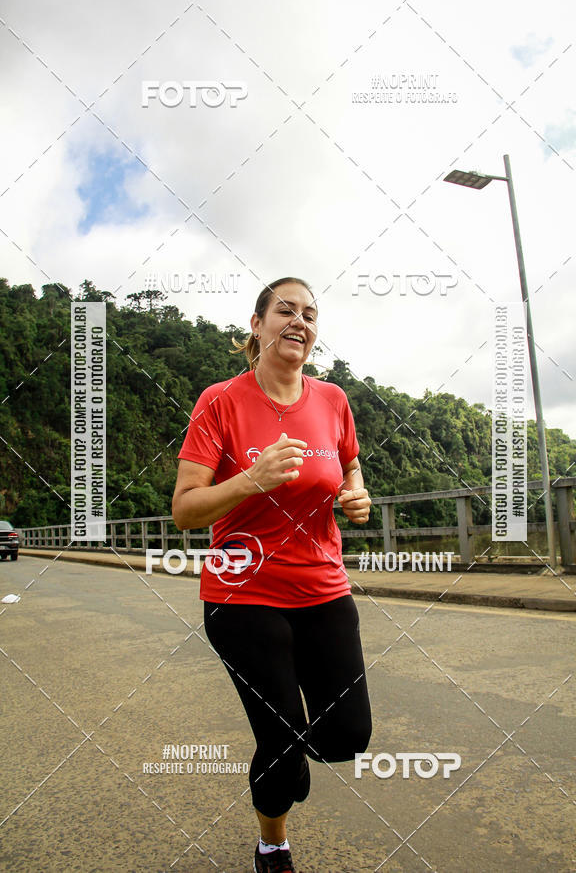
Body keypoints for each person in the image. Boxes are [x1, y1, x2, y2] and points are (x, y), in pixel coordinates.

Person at [172, 277, 372, 872]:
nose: (299, 321)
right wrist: (249, 480)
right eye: (285, 309)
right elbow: (185, 509)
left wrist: (356, 495)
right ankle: (273, 843)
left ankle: (284, 749)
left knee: (345, 739)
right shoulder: (221, 400)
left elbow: (351, 467)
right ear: (256, 325)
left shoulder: (333, 400)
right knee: (282, 749)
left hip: (323, 589)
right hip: (242, 597)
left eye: (309, 314)